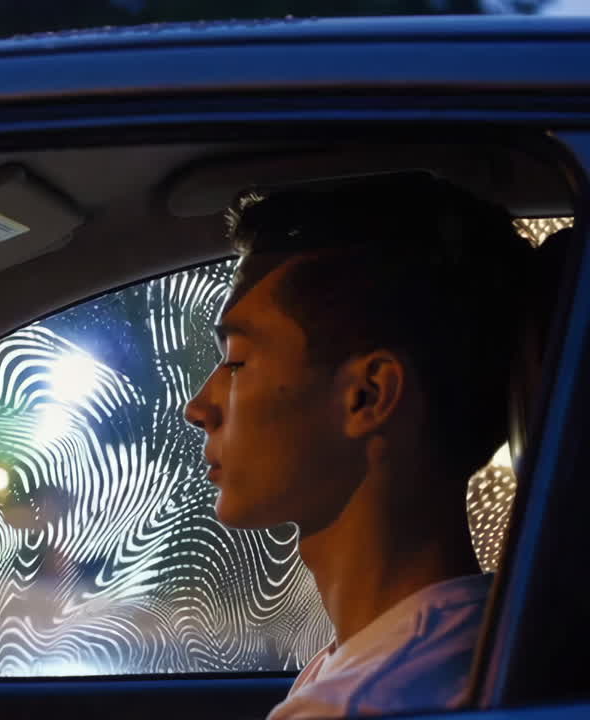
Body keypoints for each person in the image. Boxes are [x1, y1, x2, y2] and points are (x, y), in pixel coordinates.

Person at [182, 174, 534, 718]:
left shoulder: (357, 703)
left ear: (367, 396)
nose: (198, 407)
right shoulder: (476, 635)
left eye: (235, 362)